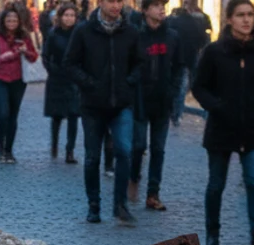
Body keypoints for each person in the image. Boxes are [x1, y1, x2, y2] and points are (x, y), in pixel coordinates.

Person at [193, 0, 254, 245]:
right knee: (216, 184)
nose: (247, 20)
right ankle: (213, 235)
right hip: (221, 129)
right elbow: (199, 86)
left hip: (253, 129)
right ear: (229, 19)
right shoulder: (215, 51)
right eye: (240, 15)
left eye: (250, 15)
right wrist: (217, 106)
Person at [64, 0, 142, 223]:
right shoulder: (84, 31)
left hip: (122, 104)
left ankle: (120, 204)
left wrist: (129, 82)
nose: (116, 5)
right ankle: (94, 204)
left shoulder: (130, 32)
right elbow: (69, 63)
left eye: (119, 1)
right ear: (100, 3)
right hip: (92, 105)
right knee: (92, 157)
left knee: (124, 151)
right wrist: (89, 83)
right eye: (111, 1)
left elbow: (140, 63)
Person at [129, 0, 181, 211]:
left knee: (158, 149)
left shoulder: (172, 36)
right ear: (145, 10)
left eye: (163, 5)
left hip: (162, 101)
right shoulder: (135, 36)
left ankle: (153, 193)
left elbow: (178, 67)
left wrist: (173, 91)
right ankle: (133, 177)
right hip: (139, 100)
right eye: (157, 5)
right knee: (138, 145)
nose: (162, 9)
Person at [0, 7, 39, 163]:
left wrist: (26, 52)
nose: (12, 23)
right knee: (3, 112)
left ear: (19, 22)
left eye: (14, 20)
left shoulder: (24, 36)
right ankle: (0, 147)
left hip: (18, 80)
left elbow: (34, 57)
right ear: (3, 22)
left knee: (13, 115)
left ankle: (9, 150)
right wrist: (10, 55)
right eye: (9, 20)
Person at [43, 1, 80, 164]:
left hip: (73, 79)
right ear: (60, 17)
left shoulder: (79, 34)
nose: (69, 18)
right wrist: (52, 69)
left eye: (72, 15)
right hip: (57, 78)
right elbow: (45, 55)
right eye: (66, 15)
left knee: (73, 115)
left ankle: (70, 150)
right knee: (56, 116)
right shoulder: (53, 33)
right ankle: (54, 145)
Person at [167, 0, 209, 126]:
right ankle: (177, 114)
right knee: (186, 86)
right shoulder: (196, 23)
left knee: (179, 86)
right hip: (192, 57)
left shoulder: (173, 22)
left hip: (177, 59)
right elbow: (203, 38)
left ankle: (175, 113)